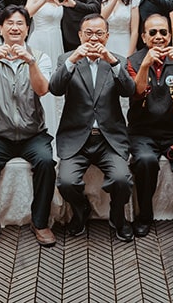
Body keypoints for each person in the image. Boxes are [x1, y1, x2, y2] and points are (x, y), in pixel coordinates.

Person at [0, 6, 57, 249]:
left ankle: (39, 222)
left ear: (28, 28)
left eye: (20, 23)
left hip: (33, 133)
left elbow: (42, 90)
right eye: (9, 23)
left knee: (46, 162)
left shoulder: (40, 57)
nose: (15, 27)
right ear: (1, 28)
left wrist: (31, 63)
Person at [50, 14, 137, 241]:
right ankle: (81, 211)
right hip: (76, 137)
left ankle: (118, 217)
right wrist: (72, 60)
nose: (94, 38)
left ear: (107, 36)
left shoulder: (116, 59)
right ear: (80, 35)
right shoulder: (66, 58)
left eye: (99, 33)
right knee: (66, 182)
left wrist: (114, 63)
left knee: (121, 179)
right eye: (88, 33)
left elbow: (129, 90)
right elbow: (55, 88)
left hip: (109, 139)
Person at [126, 13, 173, 239]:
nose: (159, 37)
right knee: (145, 161)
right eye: (153, 32)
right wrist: (146, 65)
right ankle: (144, 215)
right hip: (142, 132)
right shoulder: (133, 61)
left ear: (170, 35)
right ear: (144, 37)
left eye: (163, 32)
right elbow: (136, 93)